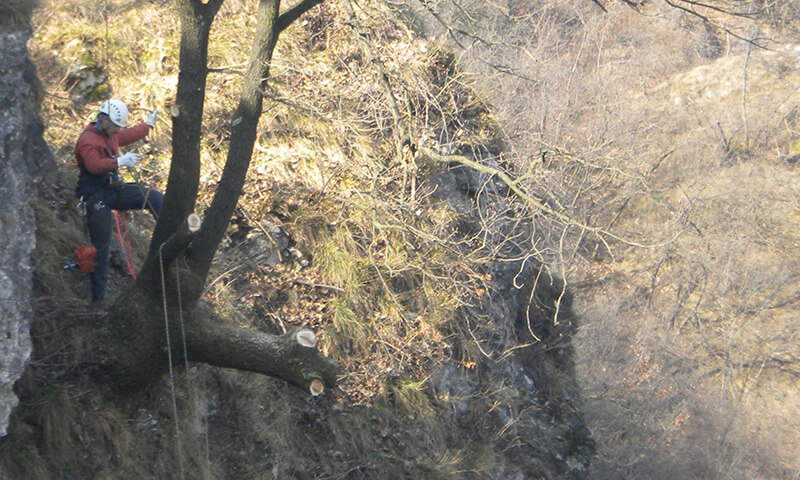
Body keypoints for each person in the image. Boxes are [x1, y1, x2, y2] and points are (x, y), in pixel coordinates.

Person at [74, 99, 164, 303]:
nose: (117, 131)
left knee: (154, 198)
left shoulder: (110, 134)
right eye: (115, 126)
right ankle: (99, 300)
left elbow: (127, 134)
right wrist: (120, 161)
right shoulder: (87, 140)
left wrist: (147, 125)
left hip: (113, 190)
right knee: (101, 248)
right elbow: (94, 166)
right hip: (96, 197)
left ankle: (174, 239)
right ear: (104, 120)